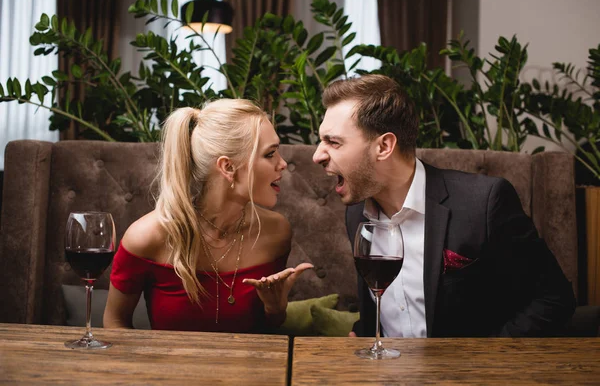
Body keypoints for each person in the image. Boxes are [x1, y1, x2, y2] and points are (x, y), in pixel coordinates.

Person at [312, 74, 576, 337]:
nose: (317, 155)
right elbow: (379, 310)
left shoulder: (484, 203)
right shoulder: (357, 214)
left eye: (333, 142)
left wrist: (484, 362)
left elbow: (554, 299)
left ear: (384, 146)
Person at [104, 99, 313, 332]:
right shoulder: (146, 237)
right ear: (228, 167)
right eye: (270, 154)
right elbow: (115, 322)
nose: (282, 163)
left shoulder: (277, 232)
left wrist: (275, 309)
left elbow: (269, 329)